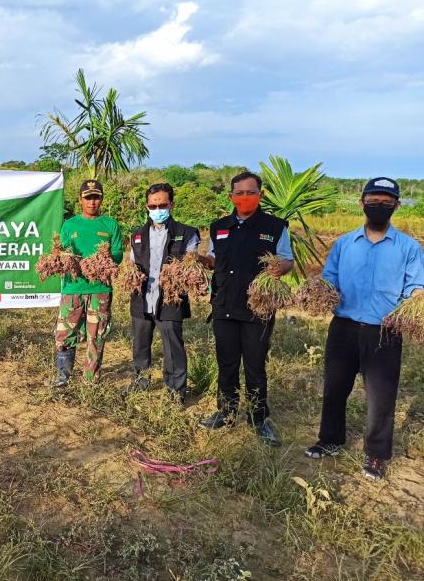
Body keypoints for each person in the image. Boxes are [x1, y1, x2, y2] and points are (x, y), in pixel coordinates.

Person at [304, 177, 424, 481]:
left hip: (384, 331)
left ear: (396, 205)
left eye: (386, 202)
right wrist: (317, 288)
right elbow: (329, 277)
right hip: (343, 327)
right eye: (374, 200)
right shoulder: (345, 243)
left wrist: (417, 298)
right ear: (362, 202)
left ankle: (376, 454)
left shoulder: (409, 248)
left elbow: (415, 286)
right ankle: (330, 439)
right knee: (334, 387)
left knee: (381, 396)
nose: (379, 206)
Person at [198, 171, 293, 445]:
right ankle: (225, 412)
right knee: (226, 362)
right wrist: (202, 262)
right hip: (224, 305)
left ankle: (258, 418)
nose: (244, 197)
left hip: (258, 309)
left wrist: (280, 269)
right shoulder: (219, 226)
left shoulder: (275, 227)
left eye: (250, 192)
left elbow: (287, 260)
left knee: (255, 365)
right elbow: (215, 258)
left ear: (260, 195)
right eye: (239, 193)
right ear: (231, 196)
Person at [127, 183, 200, 403]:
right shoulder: (138, 234)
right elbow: (132, 264)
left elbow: (190, 264)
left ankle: (175, 391)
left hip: (170, 300)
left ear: (171, 204)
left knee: (173, 347)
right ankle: (141, 382)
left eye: (162, 205)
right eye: (152, 205)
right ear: (147, 207)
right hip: (142, 299)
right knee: (140, 345)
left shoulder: (186, 233)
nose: (157, 209)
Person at [53, 179, 123, 387]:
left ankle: (90, 379)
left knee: (97, 335)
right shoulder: (70, 225)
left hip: (100, 289)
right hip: (73, 288)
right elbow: (63, 253)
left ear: (101, 199)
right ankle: (63, 377)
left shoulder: (110, 224)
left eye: (96, 197)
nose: (92, 202)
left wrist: (102, 259)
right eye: (88, 198)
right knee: (65, 333)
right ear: (80, 200)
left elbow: (117, 255)